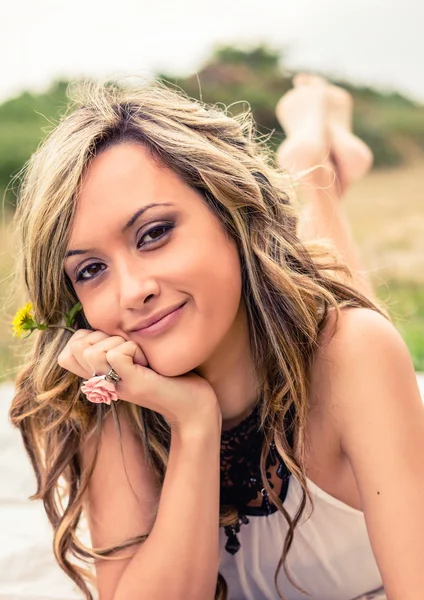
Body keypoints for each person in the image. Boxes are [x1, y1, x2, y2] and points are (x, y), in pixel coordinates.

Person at [8, 74, 424, 600]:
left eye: (154, 233)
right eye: (91, 269)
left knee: (339, 315)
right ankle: (312, 164)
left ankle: (310, 163)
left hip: (334, 355)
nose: (132, 292)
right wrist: (193, 423)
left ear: (230, 209)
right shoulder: (114, 394)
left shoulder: (356, 354)